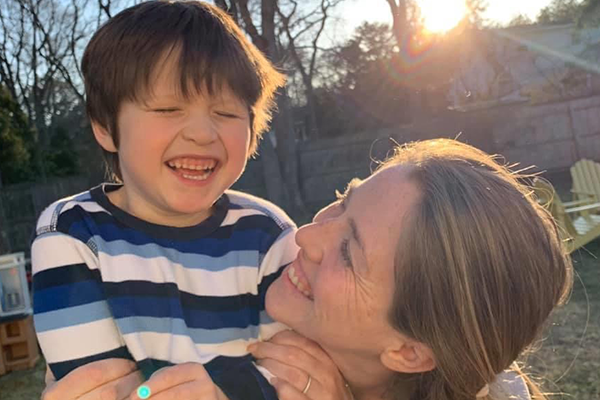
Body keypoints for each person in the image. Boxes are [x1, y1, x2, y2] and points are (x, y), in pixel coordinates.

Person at [40, 139, 573, 400]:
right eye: (343, 201)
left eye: (349, 252)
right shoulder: (234, 303)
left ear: (409, 351)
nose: (305, 236)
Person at [31, 2, 298, 400]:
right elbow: (103, 386)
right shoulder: (73, 232)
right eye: (168, 108)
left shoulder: (267, 234)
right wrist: (246, 384)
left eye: (225, 112)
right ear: (105, 127)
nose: (203, 133)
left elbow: (297, 372)